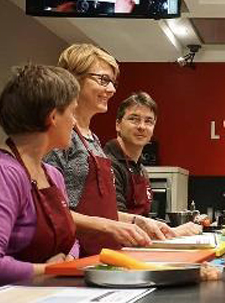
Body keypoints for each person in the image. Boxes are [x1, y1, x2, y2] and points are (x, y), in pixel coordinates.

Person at [0, 64, 80, 295]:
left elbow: (71, 242)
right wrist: (49, 271)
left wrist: (68, 261)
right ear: (53, 117)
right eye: (72, 112)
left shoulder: (53, 176)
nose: (74, 122)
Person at [45, 44, 171, 256]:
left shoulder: (93, 139)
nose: (112, 90)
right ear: (73, 79)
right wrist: (110, 226)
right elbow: (49, 211)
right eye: (103, 80)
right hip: (69, 256)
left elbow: (101, 213)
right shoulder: (58, 136)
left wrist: (136, 221)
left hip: (99, 256)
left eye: (113, 82)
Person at [104, 92, 200, 236]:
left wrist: (170, 229)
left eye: (148, 121)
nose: (142, 126)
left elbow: (144, 218)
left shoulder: (141, 169)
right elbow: (114, 220)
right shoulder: (106, 163)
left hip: (137, 244)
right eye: (134, 119)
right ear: (118, 124)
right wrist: (174, 232)